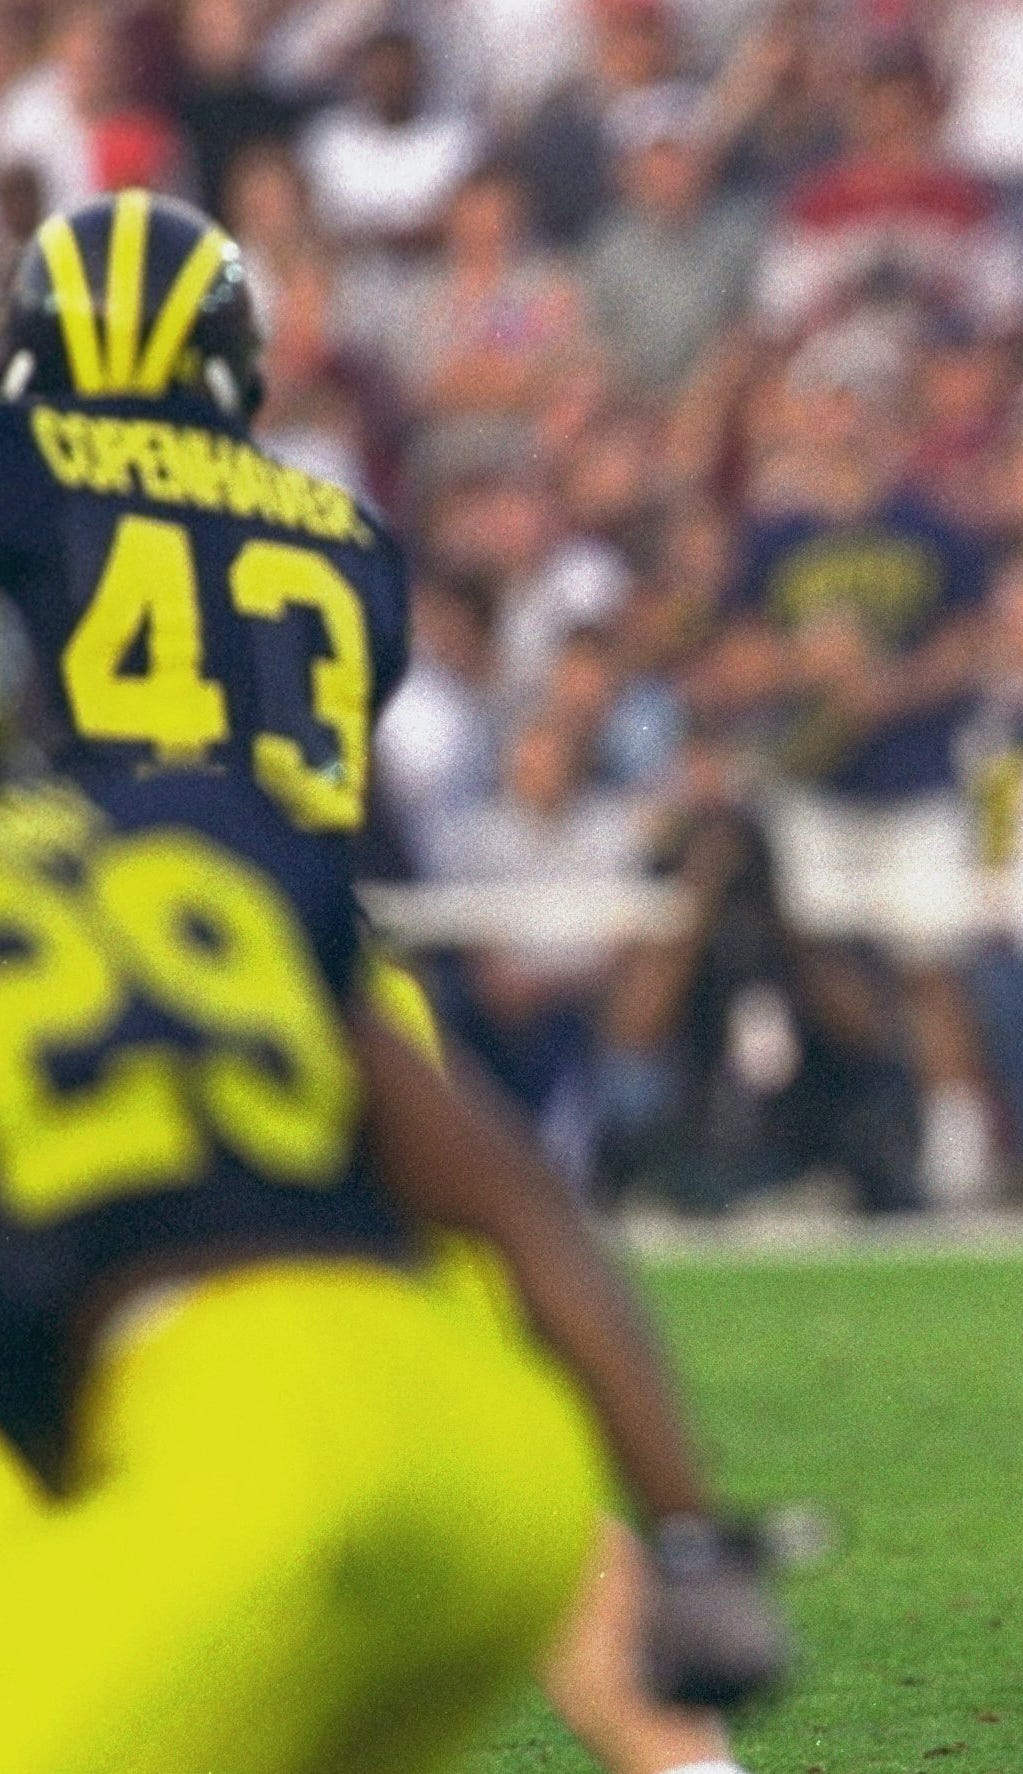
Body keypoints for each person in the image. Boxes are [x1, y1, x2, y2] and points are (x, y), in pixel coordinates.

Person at [0, 190, 753, 1774]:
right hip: (324, 971)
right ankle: (686, 1746)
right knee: (485, 1396)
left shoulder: (28, 468)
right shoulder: (340, 533)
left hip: (76, 961)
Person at [0, 766, 783, 1774]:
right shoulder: (194, 831)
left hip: (243, 1457)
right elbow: (521, 1202)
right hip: (496, 1463)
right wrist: (691, 1539)